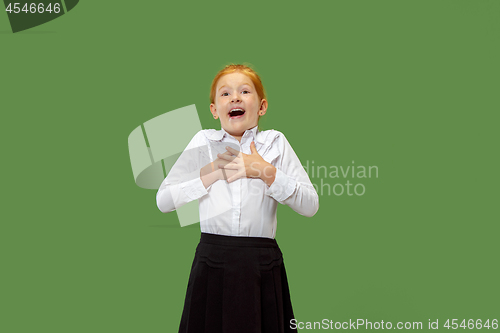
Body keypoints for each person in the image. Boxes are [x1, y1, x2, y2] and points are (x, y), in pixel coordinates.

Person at [156, 64, 319, 333]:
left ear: (262, 106)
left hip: (261, 263)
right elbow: (164, 201)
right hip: (212, 261)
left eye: (245, 91)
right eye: (225, 94)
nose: (235, 98)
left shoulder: (275, 143)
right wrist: (208, 175)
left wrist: (265, 171)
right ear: (213, 110)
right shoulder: (203, 142)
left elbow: (311, 205)